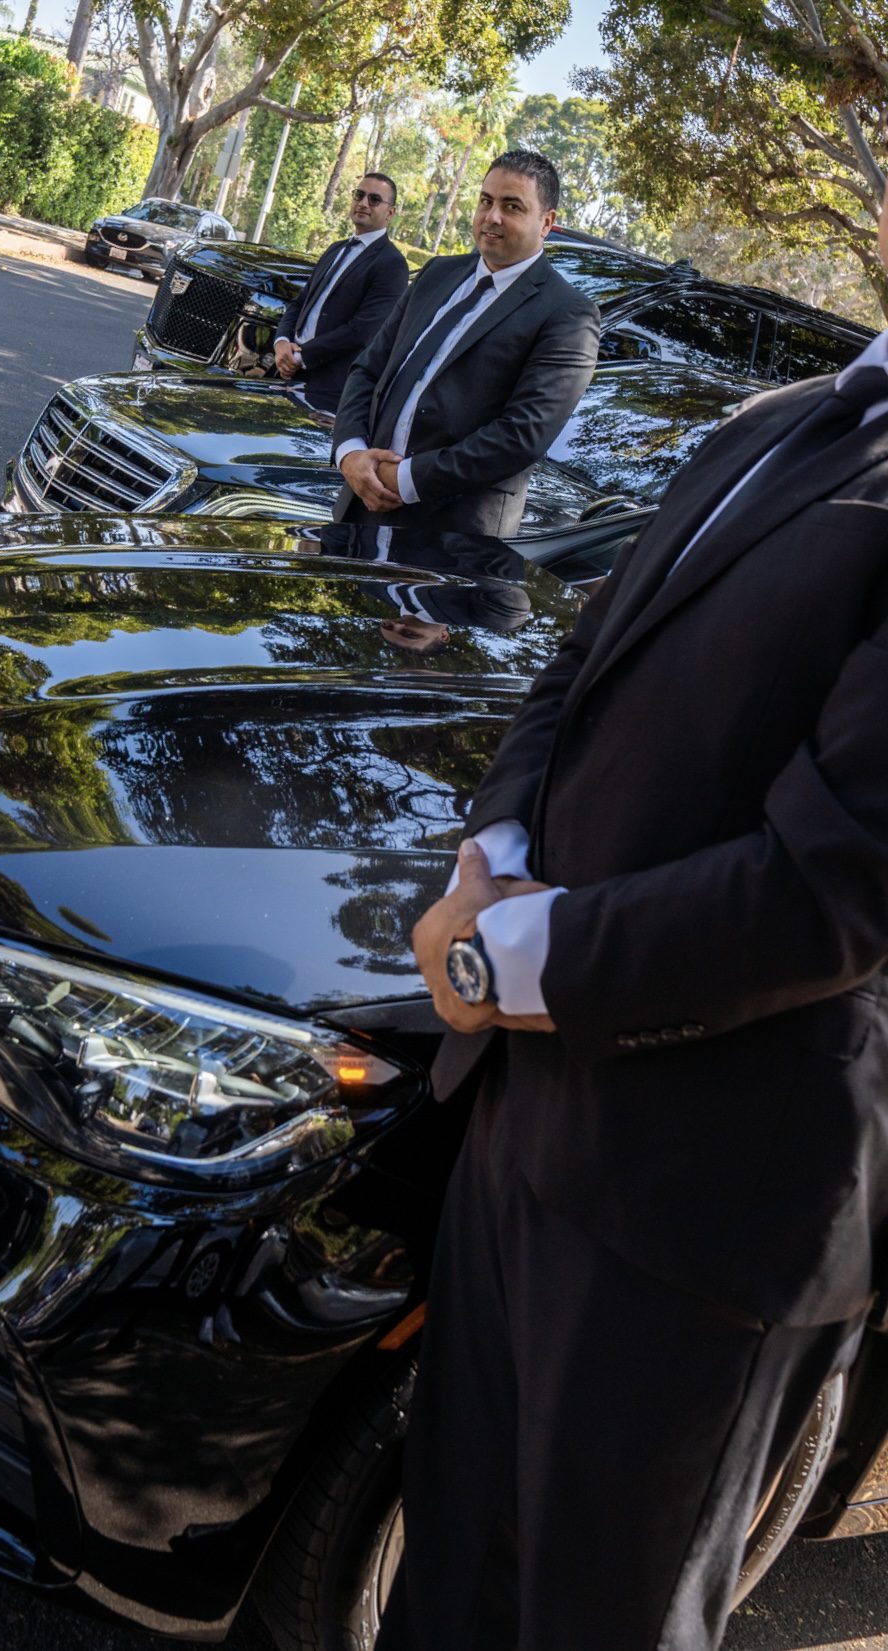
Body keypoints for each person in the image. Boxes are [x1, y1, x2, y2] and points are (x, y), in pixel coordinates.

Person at [380, 194, 888, 1651]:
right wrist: (489, 854)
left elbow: (833, 881)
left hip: (701, 1212)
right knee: (446, 1582)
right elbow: (581, 660)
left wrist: (497, 958)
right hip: (521, 1124)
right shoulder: (784, 417)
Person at [332, 150, 599, 536]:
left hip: (452, 537)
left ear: (546, 222)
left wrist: (405, 479)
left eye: (512, 206)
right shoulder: (437, 273)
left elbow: (521, 435)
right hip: (360, 502)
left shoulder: (568, 313)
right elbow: (368, 367)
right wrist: (350, 452)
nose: (492, 216)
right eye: (486, 201)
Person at [272, 173, 409, 413]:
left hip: (328, 390)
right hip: (287, 371)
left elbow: (362, 331)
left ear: (390, 213)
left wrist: (301, 357)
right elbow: (301, 302)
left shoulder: (392, 264)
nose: (363, 203)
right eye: (359, 195)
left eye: (374, 199)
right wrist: (281, 342)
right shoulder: (335, 249)